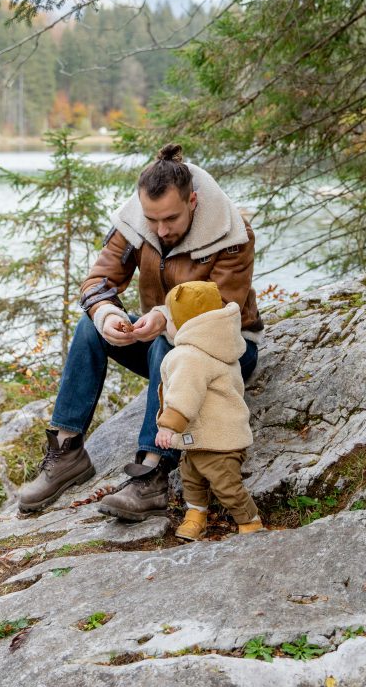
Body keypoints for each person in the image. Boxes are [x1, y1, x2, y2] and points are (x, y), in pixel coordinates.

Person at [17, 143, 263, 519]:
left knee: (173, 343)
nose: (160, 230)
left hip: (228, 349)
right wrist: (106, 314)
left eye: (170, 219)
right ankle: (67, 452)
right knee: (90, 326)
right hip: (164, 342)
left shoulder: (232, 233)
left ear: (193, 200)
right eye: (153, 220)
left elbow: (221, 308)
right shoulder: (136, 223)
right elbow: (98, 280)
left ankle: (151, 474)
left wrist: (164, 318)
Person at [155, 280, 263, 540]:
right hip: (202, 437)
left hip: (217, 440)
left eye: (169, 317)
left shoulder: (190, 355)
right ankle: (196, 516)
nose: (166, 323)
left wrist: (169, 425)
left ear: (183, 321)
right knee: (191, 480)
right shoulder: (219, 344)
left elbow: (184, 394)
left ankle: (250, 522)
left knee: (227, 485)